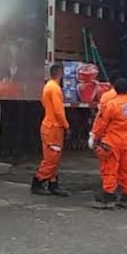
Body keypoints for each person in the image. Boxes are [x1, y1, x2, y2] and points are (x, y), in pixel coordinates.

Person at [89, 78, 127, 210]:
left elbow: (102, 123)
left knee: (110, 170)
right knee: (126, 170)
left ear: (115, 90)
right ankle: (125, 197)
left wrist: (94, 136)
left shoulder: (111, 105)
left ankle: (108, 197)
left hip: (112, 143)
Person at [33, 63, 71, 197]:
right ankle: (38, 180)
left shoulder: (48, 86)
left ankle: (53, 184)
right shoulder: (55, 89)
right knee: (52, 158)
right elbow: (58, 111)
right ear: (60, 73)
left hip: (49, 126)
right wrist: (66, 126)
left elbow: (46, 104)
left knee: (53, 157)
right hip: (54, 127)